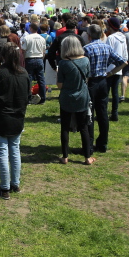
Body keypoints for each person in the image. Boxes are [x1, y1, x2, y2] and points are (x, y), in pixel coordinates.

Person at [0, 43, 30, 199]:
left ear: (2, 57)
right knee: (15, 150)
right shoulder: (24, 73)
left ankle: (4, 189)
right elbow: (27, 97)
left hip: (0, 118)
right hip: (17, 117)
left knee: (3, 152)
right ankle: (14, 184)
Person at [82, 25, 126, 153]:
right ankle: (102, 144)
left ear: (89, 36)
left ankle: (88, 145)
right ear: (102, 35)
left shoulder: (86, 49)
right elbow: (123, 62)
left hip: (91, 82)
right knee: (103, 113)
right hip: (103, 81)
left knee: (89, 114)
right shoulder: (107, 47)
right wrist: (111, 73)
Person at [56, 36, 93, 165]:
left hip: (67, 96)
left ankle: (65, 156)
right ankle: (87, 157)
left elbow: (59, 85)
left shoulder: (63, 63)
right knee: (84, 127)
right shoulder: (86, 60)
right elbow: (87, 77)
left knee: (65, 127)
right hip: (82, 96)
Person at [21, 23, 47, 104]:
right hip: (39, 58)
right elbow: (43, 51)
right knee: (41, 79)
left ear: (31, 28)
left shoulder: (27, 38)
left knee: (29, 79)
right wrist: (42, 58)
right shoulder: (42, 38)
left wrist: (23, 59)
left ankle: (28, 97)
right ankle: (43, 97)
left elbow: (23, 50)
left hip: (30, 58)